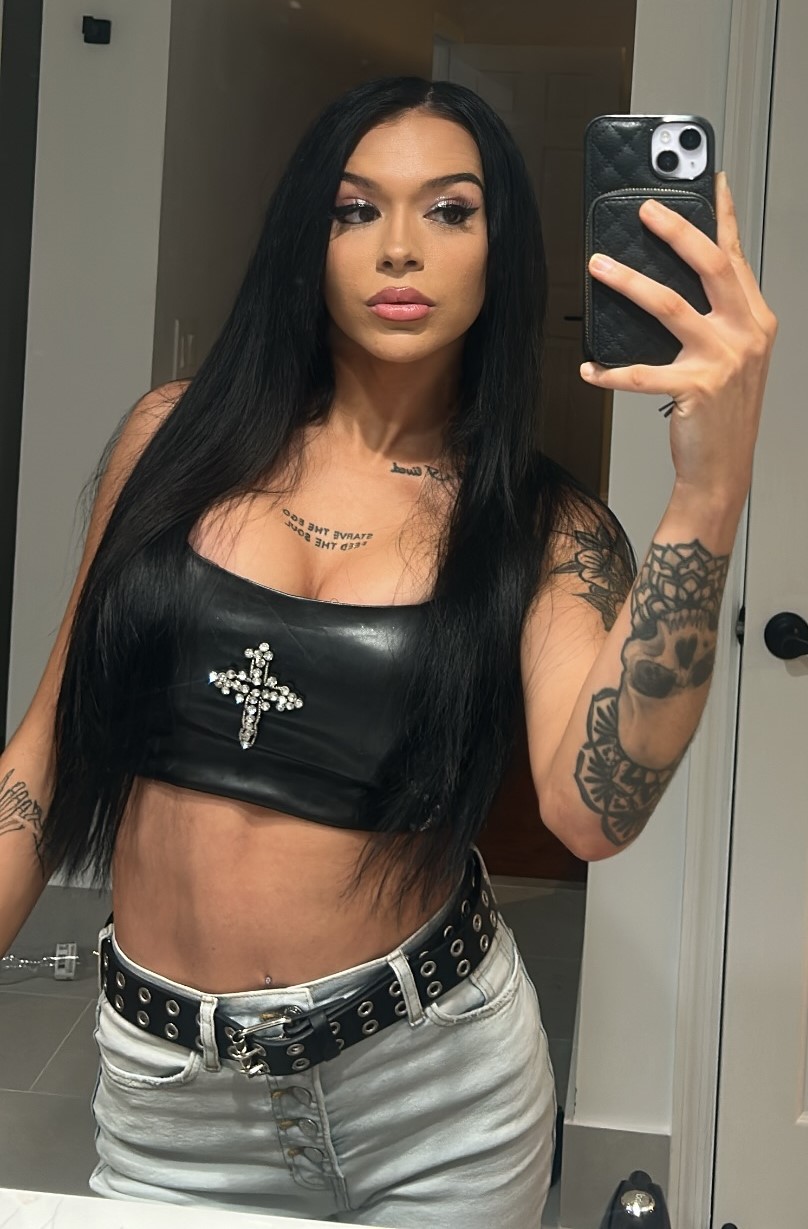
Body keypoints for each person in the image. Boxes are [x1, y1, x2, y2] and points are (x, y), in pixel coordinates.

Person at [0, 76, 775, 1228]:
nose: (399, 246)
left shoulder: (541, 528)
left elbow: (593, 811)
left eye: (450, 210)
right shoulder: (170, 442)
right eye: (355, 209)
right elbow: (40, 758)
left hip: (438, 1101)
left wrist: (709, 491)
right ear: (305, 239)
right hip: (172, 1103)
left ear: (501, 251)